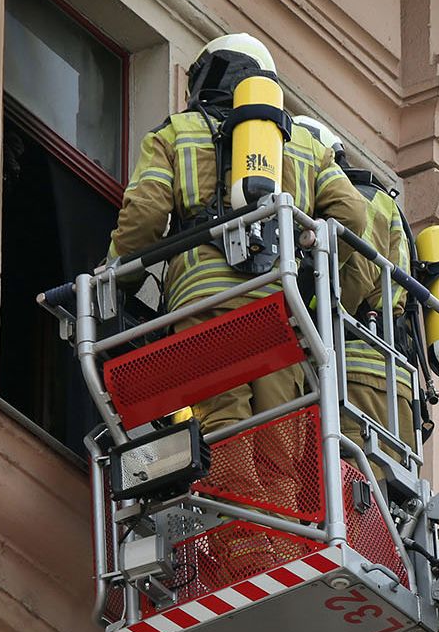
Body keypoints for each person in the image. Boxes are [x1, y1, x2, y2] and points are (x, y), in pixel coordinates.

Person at [108, 34, 381, 437]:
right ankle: (266, 501)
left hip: (203, 301)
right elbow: (355, 216)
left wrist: (117, 282)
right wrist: (307, 282)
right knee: (278, 438)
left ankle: (230, 499)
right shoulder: (305, 144)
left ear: (209, 75)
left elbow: (145, 216)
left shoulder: (176, 132)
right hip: (278, 306)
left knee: (222, 427)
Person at [294, 115, 421, 456]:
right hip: (376, 380)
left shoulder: (361, 199)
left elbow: (356, 275)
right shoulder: (369, 199)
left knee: (353, 491)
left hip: (359, 373)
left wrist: (298, 322)